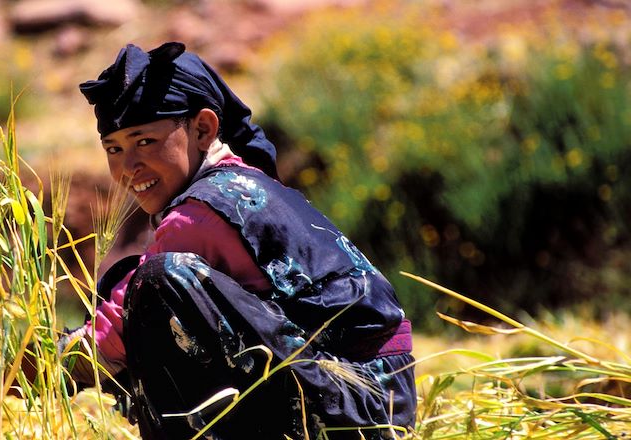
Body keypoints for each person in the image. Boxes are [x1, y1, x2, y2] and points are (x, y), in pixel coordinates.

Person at [60, 41, 416, 440]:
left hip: (354, 409)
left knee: (158, 284)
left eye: (145, 141)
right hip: (378, 402)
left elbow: (110, 339)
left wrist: (7, 367)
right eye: (114, 149)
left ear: (203, 129)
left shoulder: (201, 213)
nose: (128, 166)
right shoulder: (246, 187)